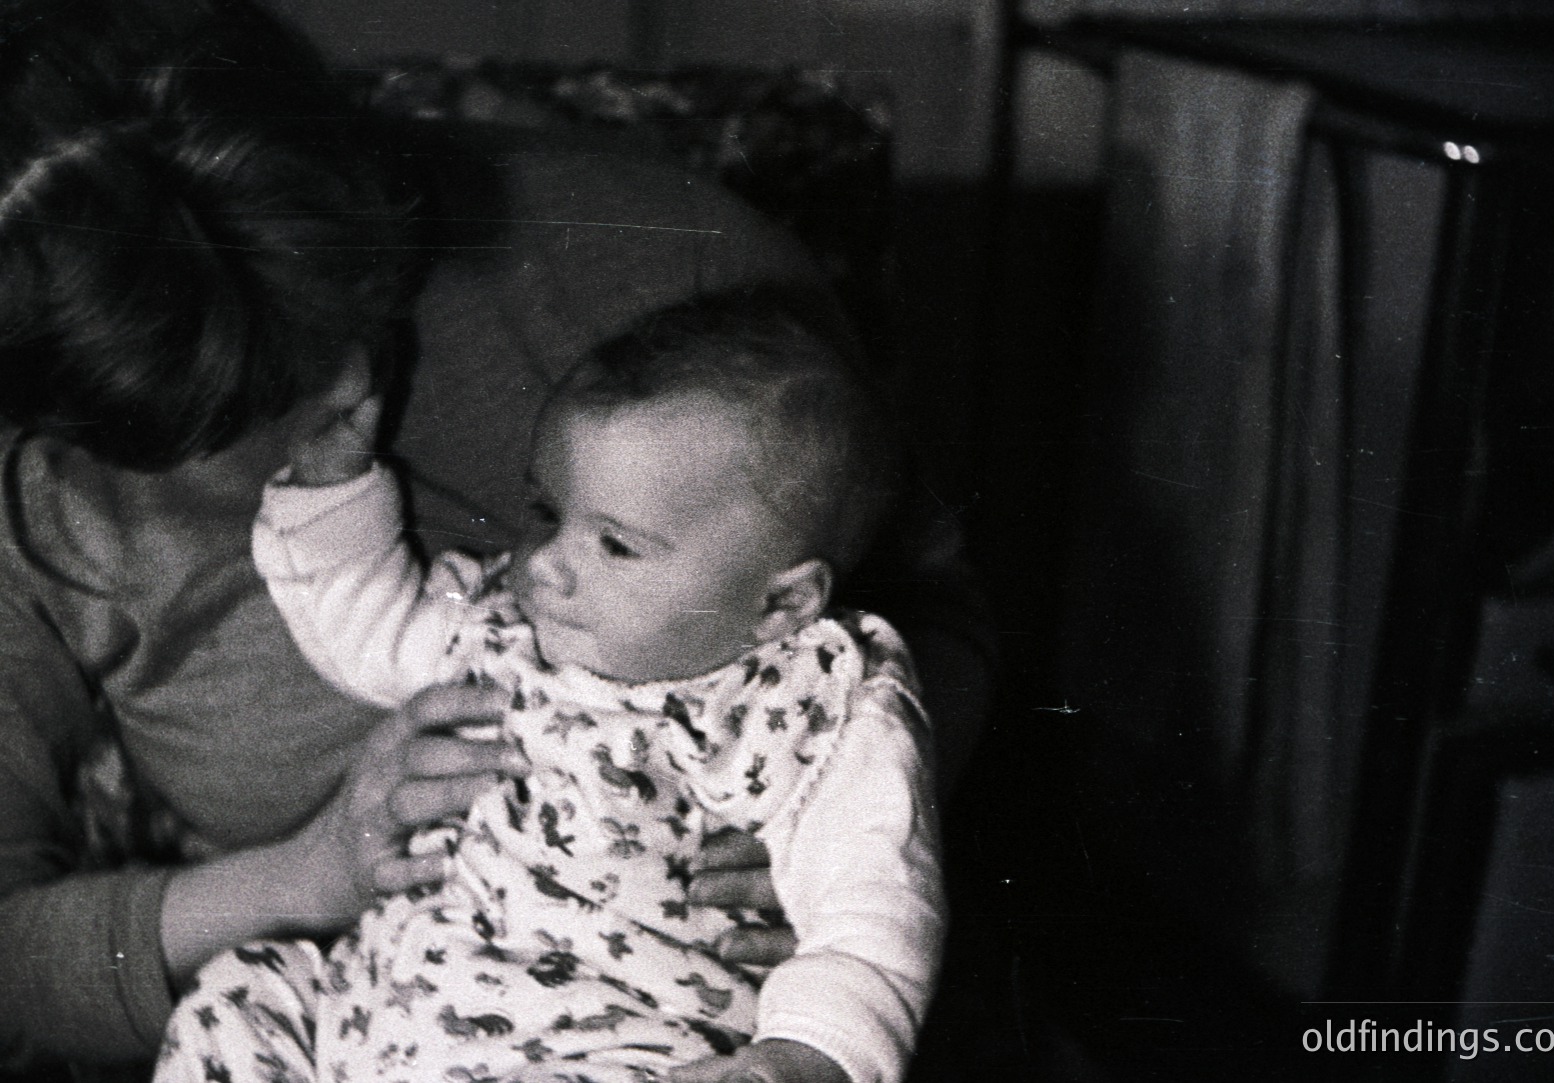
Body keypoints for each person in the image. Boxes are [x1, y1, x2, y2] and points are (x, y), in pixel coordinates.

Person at [0, 0, 991, 1073]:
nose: (345, 387)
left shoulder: (671, 271)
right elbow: (366, 619)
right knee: (243, 1006)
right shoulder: (41, 492)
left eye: (346, 310)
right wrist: (303, 876)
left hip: (632, 1014)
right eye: (247, 402)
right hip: (364, 989)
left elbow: (930, 623)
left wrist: (839, 875)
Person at [156, 294, 943, 1083]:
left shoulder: (806, 703)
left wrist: (803, 1057)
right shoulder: (505, 624)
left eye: (615, 544)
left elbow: (874, 909)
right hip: (376, 1016)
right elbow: (367, 627)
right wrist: (331, 484)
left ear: (779, 603)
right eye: (543, 509)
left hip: (607, 1044)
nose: (545, 563)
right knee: (243, 991)